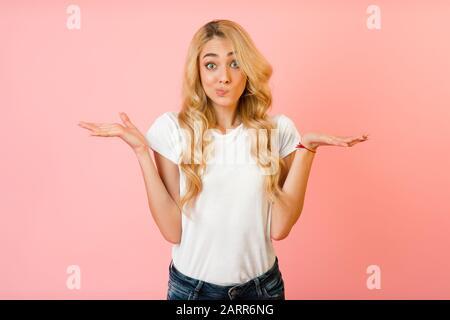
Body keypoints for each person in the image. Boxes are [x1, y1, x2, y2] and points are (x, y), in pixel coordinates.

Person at [78, 19, 369, 300]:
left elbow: (280, 227)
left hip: (261, 290)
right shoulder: (171, 130)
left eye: (235, 62)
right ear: (198, 71)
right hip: (192, 292)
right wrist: (141, 152)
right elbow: (172, 230)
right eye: (211, 64)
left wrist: (307, 149)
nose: (224, 77)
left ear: (248, 70)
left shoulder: (277, 130)